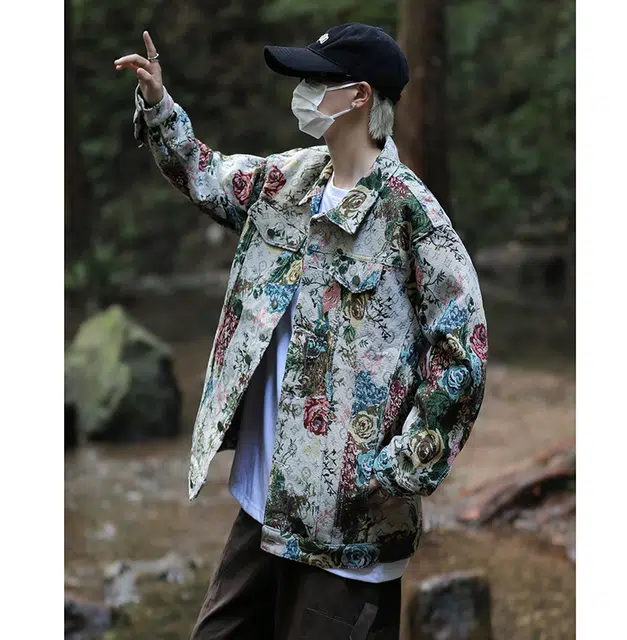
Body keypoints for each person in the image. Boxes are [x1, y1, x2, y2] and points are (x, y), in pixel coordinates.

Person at [114, 22, 488, 640]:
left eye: (317, 80)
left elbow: (461, 356)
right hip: (264, 509)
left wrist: (396, 470)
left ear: (359, 96)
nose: (303, 92)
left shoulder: (411, 214)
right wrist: (158, 105)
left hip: (346, 533)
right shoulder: (291, 180)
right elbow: (207, 174)